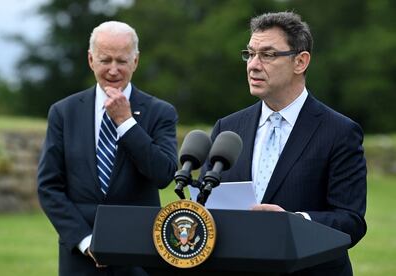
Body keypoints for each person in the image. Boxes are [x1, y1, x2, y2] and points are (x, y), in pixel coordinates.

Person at [201, 12, 366, 275]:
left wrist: (294, 222)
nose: (253, 65)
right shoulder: (228, 128)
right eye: (250, 53)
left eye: (267, 55)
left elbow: (351, 221)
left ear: (300, 62)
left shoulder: (340, 132)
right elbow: (205, 203)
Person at [37, 21, 178, 275]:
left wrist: (126, 123)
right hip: (80, 259)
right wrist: (85, 241)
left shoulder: (160, 112)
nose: (113, 70)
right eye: (105, 60)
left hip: (141, 256)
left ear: (135, 61)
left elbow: (164, 175)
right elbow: (49, 187)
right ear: (91, 59)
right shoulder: (64, 112)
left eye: (122, 61)